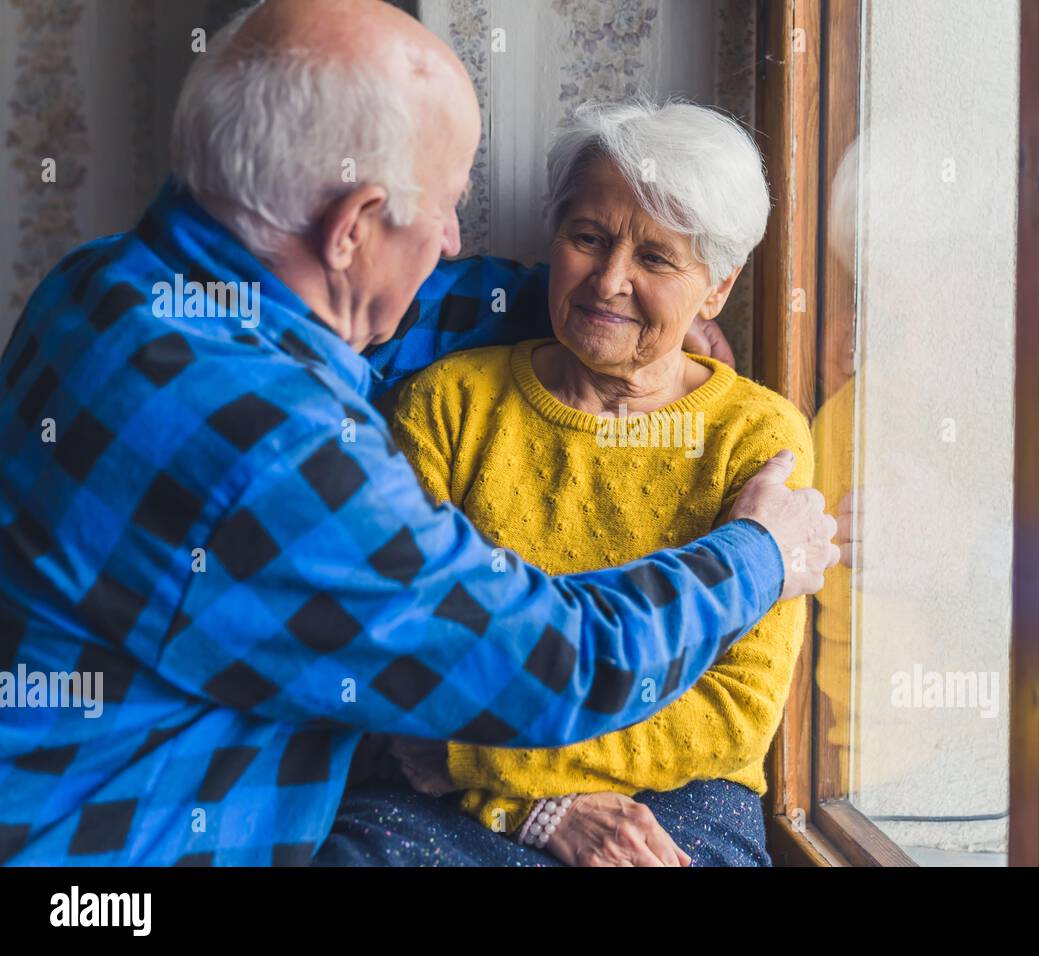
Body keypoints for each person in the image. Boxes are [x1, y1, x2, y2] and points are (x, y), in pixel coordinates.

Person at [0, 0, 837, 866]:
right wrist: (759, 554)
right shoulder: (277, 457)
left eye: (659, 256)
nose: (450, 241)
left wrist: (612, 307)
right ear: (353, 227)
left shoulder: (103, 285)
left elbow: (384, 305)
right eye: (442, 208)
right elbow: (557, 665)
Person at [319, 99, 806, 867]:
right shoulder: (447, 402)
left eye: (656, 259)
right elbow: (410, 665)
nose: (609, 281)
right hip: (440, 793)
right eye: (588, 238)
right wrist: (537, 811)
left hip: (669, 790)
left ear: (716, 289)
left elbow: (735, 713)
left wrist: (494, 770)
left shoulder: (759, 435)